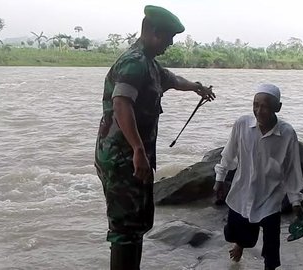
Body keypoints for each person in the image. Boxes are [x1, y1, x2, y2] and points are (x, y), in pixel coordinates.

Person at [94, 5, 215, 270]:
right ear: (150, 31)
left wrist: (197, 87)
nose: (170, 43)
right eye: (168, 37)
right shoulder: (134, 62)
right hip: (122, 158)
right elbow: (121, 103)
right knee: (125, 229)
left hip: (132, 157)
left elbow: (172, 79)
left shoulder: (150, 64)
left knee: (135, 224)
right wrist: (138, 149)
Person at [213, 84, 303, 270]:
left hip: (270, 198)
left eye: (265, 106)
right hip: (242, 192)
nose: (259, 111)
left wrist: (296, 202)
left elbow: (292, 170)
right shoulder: (242, 125)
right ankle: (240, 244)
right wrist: (219, 179)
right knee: (236, 234)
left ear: (278, 107)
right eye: (255, 105)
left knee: (271, 249)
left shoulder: (287, 134)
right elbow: (229, 154)